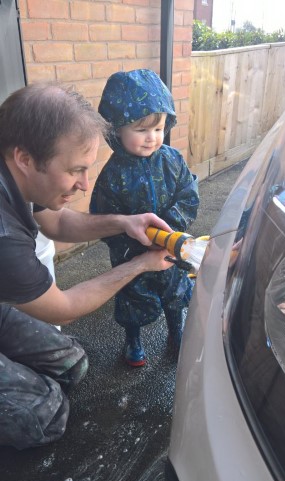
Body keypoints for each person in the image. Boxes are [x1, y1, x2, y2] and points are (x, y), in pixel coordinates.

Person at [0, 82, 174, 450]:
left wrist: (125, 222)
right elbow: (59, 308)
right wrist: (140, 265)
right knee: (46, 412)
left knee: (72, 362)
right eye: (76, 170)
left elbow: (58, 223)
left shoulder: (16, 175)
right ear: (25, 158)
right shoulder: (4, 236)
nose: (84, 184)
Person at [90, 69, 199, 367]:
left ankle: (177, 334)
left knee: (176, 293)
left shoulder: (172, 160)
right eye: (141, 130)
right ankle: (133, 339)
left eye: (159, 128)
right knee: (132, 299)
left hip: (171, 247)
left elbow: (189, 193)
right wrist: (126, 244)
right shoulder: (113, 174)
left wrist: (171, 225)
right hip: (132, 253)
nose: (152, 138)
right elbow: (101, 216)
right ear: (116, 131)